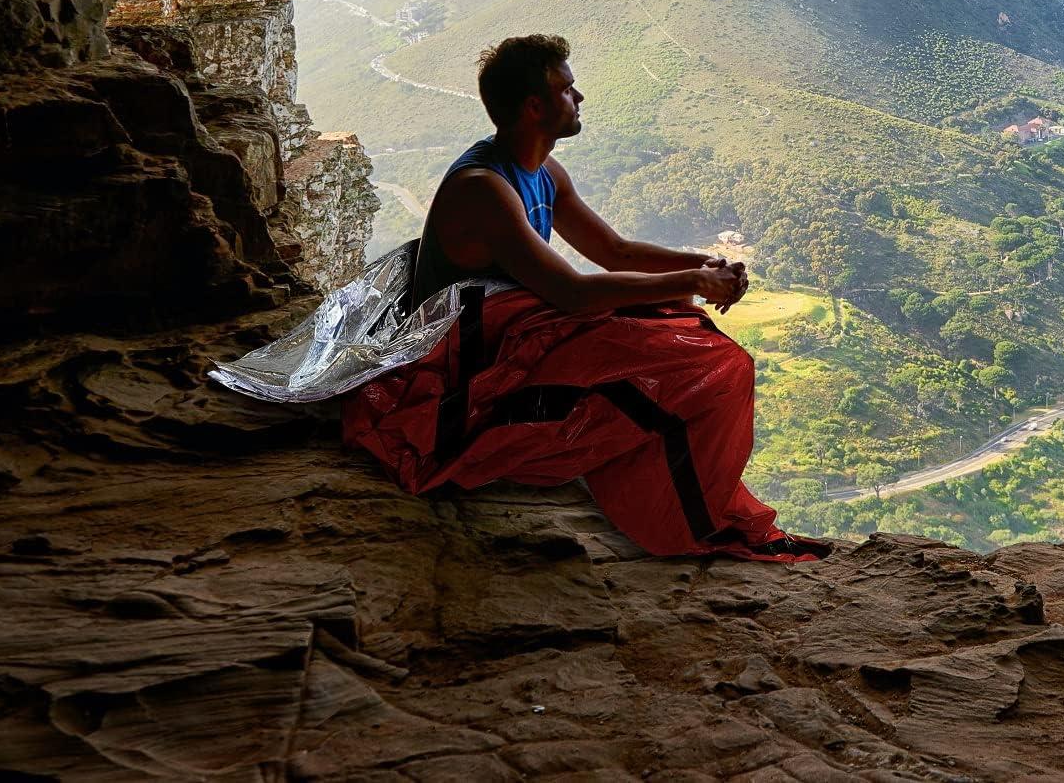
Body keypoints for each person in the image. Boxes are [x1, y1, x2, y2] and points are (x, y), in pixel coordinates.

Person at [342, 33, 831, 562]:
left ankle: (692, 503)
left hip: (514, 324)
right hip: (472, 352)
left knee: (672, 321)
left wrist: (699, 265)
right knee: (699, 355)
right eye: (568, 89)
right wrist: (692, 284)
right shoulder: (484, 187)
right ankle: (689, 519)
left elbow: (613, 250)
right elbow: (572, 292)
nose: (580, 98)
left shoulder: (544, 172)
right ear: (535, 106)